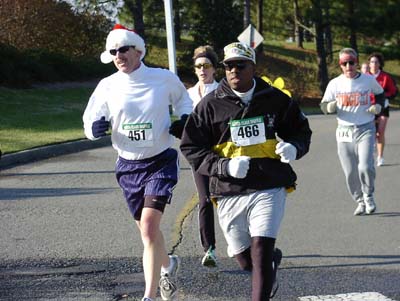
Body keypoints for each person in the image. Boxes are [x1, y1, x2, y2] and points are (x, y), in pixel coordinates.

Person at [180, 42, 312, 300]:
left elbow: (300, 130)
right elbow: (191, 146)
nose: (233, 70)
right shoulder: (209, 105)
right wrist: (223, 166)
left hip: (268, 185)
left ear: (253, 67)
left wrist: (295, 148)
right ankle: (269, 266)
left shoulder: (275, 99)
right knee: (243, 257)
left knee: (261, 247)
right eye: (228, 66)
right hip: (229, 189)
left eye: (240, 65)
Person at [82, 24, 193, 301]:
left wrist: (184, 120)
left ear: (138, 50)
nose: (118, 56)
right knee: (148, 234)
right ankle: (168, 264)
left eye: (123, 50)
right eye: (113, 52)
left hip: (160, 161)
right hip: (128, 165)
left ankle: (149, 295)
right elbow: (89, 117)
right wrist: (93, 128)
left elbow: (184, 101)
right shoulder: (107, 85)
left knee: (149, 227)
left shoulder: (162, 78)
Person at [320, 48, 385, 216]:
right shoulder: (335, 83)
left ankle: (368, 195)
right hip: (344, 131)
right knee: (350, 171)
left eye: (351, 62)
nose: (348, 66)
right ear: (340, 65)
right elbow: (323, 104)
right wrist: (329, 107)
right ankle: (360, 201)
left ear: (356, 63)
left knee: (365, 166)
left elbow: (380, 94)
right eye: (344, 63)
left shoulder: (368, 80)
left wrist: (378, 106)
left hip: (365, 128)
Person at [187, 45, 219, 267]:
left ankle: (245, 244)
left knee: (230, 199)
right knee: (205, 199)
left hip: (223, 153)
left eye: (206, 65)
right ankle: (209, 249)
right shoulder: (187, 95)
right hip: (199, 155)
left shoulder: (222, 91)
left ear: (214, 68)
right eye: (198, 66)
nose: (202, 70)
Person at [367, 52, 398, 166]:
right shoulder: (365, 77)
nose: (374, 64)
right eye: (371, 62)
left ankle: (380, 157)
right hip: (369, 108)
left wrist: (385, 95)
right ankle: (370, 154)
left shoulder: (385, 77)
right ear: (369, 64)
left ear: (379, 64)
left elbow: (393, 91)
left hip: (383, 107)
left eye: (376, 62)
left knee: (380, 132)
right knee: (371, 133)